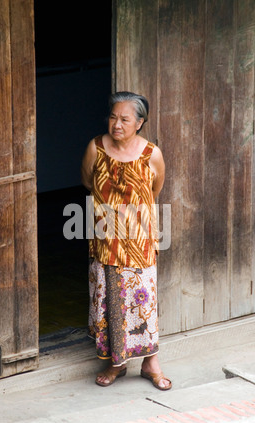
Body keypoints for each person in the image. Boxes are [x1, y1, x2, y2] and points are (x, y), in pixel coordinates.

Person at [81, 91, 172, 391]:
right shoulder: (96, 148)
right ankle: (117, 363)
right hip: (106, 239)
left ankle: (150, 363)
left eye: (125, 119)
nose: (116, 124)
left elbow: (154, 191)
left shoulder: (151, 154)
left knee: (142, 301)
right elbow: (87, 181)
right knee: (111, 302)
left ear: (140, 123)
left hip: (139, 239)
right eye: (112, 117)